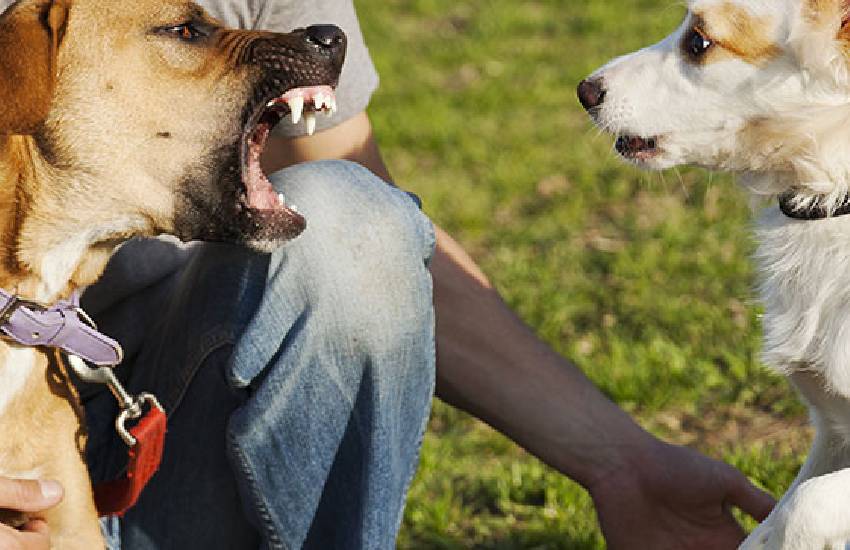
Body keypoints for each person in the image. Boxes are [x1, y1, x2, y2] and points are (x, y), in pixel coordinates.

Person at [0, 0, 775, 548]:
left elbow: (369, 244)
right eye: (186, 33)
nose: (223, 40)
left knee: (351, 213)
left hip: (166, 450)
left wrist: (624, 463)